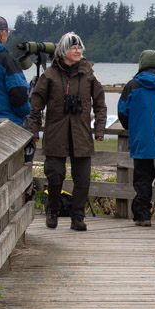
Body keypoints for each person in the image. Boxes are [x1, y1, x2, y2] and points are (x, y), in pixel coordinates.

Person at [28, 32, 107, 232]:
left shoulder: (88, 74)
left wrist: (99, 128)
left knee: (83, 179)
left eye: (79, 48)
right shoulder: (49, 75)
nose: (78, 51)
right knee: (55, 175)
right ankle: (52, 210)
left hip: (81, 134)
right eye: (73, 48)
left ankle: (77, 217)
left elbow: (100, 103)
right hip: (56, 133)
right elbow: (36, 104)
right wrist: (34, 130)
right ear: (64, 51)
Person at [118, 50, 155, 226]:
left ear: (141, 64)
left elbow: (122, 111)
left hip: (141, 140)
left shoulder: (132, 85)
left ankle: (142, 215)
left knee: (142, 180)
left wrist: (132, 127)